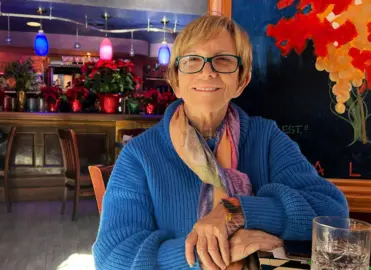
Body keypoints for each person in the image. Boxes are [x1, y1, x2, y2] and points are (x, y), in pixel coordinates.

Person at [92, 15, 349, 270]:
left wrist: (237, 211)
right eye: (193, 60)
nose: (207, 71)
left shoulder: (266, 138)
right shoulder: (140, 155)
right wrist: (208, 254)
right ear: (175, 80)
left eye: (223, 60)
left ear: (241, 81)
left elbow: (333, 214)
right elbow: (113, 258)